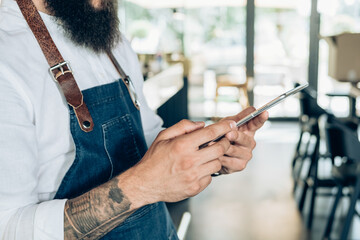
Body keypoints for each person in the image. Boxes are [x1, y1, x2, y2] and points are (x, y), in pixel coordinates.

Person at [0, 0, 268, 239]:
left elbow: (146, 136)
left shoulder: (110, 40)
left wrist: (214, 151)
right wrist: (142, 186)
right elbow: (7, 227)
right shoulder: (7, 53)